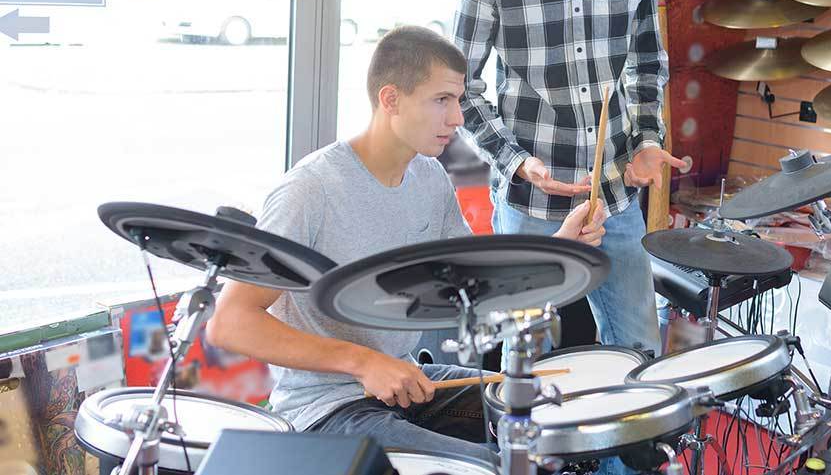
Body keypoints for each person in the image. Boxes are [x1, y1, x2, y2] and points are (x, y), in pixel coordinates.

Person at [207, 26, 606, 462]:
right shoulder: (310, 189)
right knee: (487, 467)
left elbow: (482, 285)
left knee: (546, 420)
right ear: (391, 99)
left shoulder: (429, 177)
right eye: (442, 100)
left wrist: (562, 245)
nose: (457, 118)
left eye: (458, 100)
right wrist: (362, 362)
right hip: (327, 409)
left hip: (407, 383)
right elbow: (230, 322)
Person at [453, 0, 682, 358]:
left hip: (614, 194)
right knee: (523, 359)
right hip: (529, 202)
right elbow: (460, 90)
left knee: (640, 350)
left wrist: (646, 139)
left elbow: (645, 65)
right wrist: (517, 162)